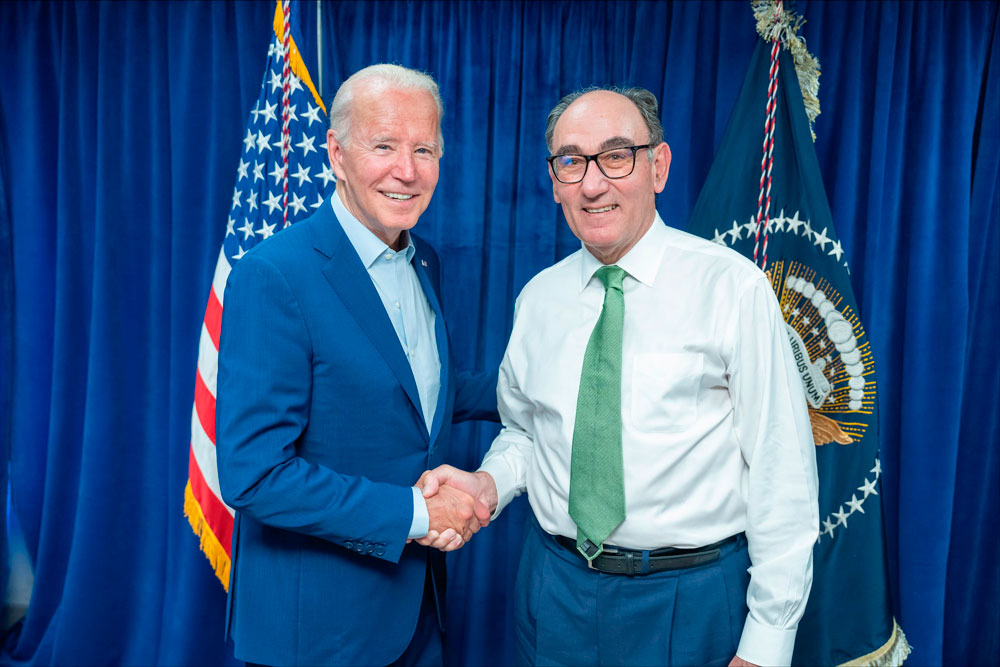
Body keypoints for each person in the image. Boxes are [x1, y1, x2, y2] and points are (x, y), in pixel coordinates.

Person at [419, 87, 819, 667]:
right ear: (555, 181)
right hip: (554, 589)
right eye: (571, 161)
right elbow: (527, 432)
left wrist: (767, 645)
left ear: (658, 166)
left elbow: (783, 472)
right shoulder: (539, 299)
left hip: (690, 597)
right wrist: (489, 484)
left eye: (615, 156)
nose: (592, 183)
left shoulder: (733, 289)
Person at [216, 64, 497, 667]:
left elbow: (412, 391)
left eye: (424, 149)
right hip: (320, 632)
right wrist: (418, 513)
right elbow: (253, 474)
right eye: (384, 146)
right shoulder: (274, 276)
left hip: (418, 612)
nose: (407, 171)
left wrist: (544, 385)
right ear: (337, 154)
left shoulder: (425, 260)